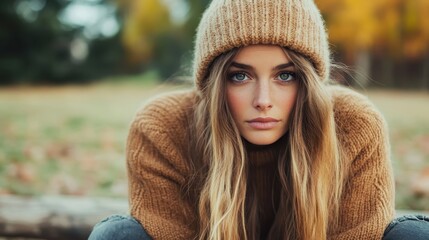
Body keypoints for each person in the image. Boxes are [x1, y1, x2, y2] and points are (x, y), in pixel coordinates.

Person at [89, 0, 429, 239]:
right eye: (240, 76)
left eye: (285, 76)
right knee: (116, 234)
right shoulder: (162, 128)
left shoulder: (354, 126)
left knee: (415, 233)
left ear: (309, 82)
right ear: (213, 83)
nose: (263, 101)